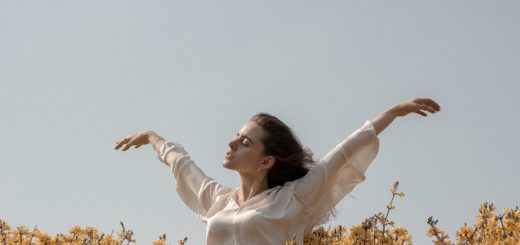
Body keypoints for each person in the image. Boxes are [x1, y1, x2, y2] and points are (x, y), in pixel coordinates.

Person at [115, 98, 441, 244]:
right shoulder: (219, 200)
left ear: (266, 160)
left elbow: (341, 155)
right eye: (236, 137)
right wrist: (152, 137)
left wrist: (392, 113)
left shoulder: (292, 199)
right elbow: (183, 165)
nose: (231, 143)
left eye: (244, 142)